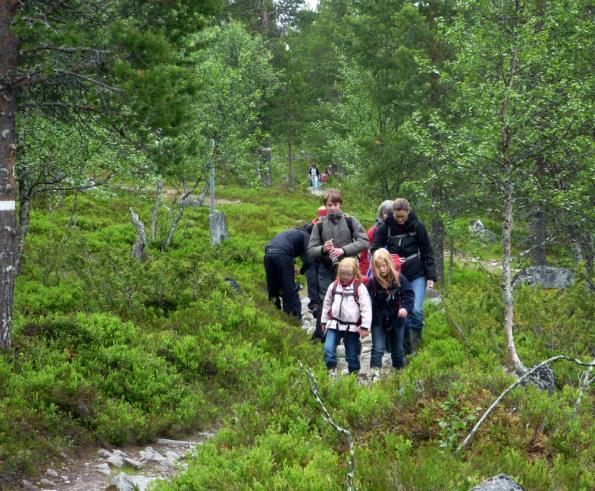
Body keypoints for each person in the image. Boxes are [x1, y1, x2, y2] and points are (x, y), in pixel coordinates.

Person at [371, 198, 437, 355]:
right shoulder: (386, 227)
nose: (400, 220)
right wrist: (390, 258)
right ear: (392, 213)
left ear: (408, 212)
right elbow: (375, 250)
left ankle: (416, 345)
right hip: (395, 276)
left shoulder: (418, 226)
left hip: (416, 273)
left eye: (403, 216)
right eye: (396, 216)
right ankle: (403, 349)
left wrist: (431, 276)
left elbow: (427, 251)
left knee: (416, 310)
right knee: (400, 312)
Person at [308, 189, 369, 342]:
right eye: (329, 205)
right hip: (326, 268)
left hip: (348, 268)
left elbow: (364, 242)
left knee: (353, 298)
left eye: (335, 204)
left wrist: (344, 250)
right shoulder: (319, 224)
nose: (332, 207)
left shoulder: (350, 221)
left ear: (340, 204)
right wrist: (323, 249)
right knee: (325, 300)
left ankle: (352, 335)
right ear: (325, 206)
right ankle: (321, 336)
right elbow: (311, 250)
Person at [368, 248, 415, 378]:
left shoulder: (399, 278)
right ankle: (374, 374)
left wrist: (405, 308)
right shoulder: (372, 282)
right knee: (377, 347)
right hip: (378, 319)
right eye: (379, 267)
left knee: (397, 348)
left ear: (389, 263)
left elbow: (409, 295)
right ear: (374, 267)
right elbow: (366, 302)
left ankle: (399, 374)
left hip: (397, 319)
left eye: (384, 266)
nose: (382, 269)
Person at [321, 257, 372, 376]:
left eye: (348, 274)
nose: (345, 277)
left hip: (352, 328)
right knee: (328, 349)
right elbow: (327, 303)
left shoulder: (360, 288)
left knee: (352, 354)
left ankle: (354, 373)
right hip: (334, 324)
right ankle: (331, 370)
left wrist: (365, 327)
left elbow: (366, 308)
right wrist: (323, 321)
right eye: (342, 273)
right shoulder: (333, 286)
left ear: (355, 273)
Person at [264, 227, 312, 321]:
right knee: (289, 289)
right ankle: (293, 319)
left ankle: (273, 317)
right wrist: (301, 271)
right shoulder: (306, 236)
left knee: (272, 288)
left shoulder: (291, 233)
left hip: (268, 255)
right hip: (282, 255)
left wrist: (291, 265)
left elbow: (284, 248)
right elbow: (309, 260)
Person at [359, 199, 394, 282]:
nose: (388, 216)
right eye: (385, 213)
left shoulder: (398, 230)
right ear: (381, 214)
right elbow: (365, 254)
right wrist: (363, 273)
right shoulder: (373, 231)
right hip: (375, 268)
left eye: (390, 213)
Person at [303, 206, 328, 316]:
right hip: (315, 256)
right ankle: (315, 303)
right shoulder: (311, 227)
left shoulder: (310, 226)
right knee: (314, 279)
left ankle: (317, 303)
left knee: (314, 279)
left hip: (318, 256)